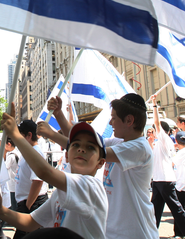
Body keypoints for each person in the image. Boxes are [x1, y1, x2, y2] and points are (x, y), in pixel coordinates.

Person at [43, 92, 160, 239]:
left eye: (114, 118)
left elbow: (88, 152)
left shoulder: (140, 147)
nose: (111, 123)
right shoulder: (118, 142)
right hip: (113, 230)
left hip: (136, 231)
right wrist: (59, 114)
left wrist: (52, 134)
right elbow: (79, 140)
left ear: (129, 120)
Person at [0, 111, 108, 239]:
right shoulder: (60, 193)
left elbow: (44, 172)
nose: (81, 149)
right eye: (75, 144)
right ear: (67, 155)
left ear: (101, 162)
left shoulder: (92, 187)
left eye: (91, 147)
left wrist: (15, 134)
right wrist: (1, 211)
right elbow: (30, 222)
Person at [149, 95, 185, 239]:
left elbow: (157, 123)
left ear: (161, 131)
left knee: (177, 210)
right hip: (158, 180)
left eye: (154, 130)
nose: (152, 132)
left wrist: (154, 105)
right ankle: (151, 234)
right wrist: (151, 143)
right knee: (154, 210)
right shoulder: (159, 142)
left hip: (165, 180)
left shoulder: (164, 139)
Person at [11, 119, 49, 239]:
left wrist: (27, 206)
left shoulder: (35, 153)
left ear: (29, 135)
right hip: (28, 203)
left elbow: (38, 181)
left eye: (20, 134)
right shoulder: (28, 151)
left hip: (32, 203)